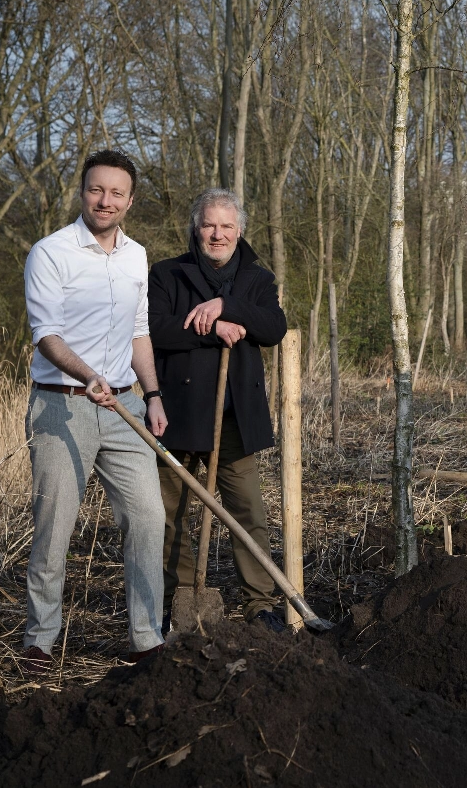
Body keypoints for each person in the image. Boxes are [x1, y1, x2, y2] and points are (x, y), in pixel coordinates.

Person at [22, 149, 166, 671]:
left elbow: (138, 332)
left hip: (125, 405)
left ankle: (147, 639)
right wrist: (89, 377)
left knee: (148, 517)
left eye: (116, 193)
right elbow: (46, 336)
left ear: (130, 201)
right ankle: (40, 638)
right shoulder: (51, 252)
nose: (105, 201)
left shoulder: (136, 256)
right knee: (55, 522)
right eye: (96, 190)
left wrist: (151, 395)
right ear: (83, 191)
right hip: (64, 406)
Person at [149, 188, 288, 634]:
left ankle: (260, 604)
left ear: (239, 231)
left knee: (248, 514)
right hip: (178, 416)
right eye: (209, 224)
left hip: (235, 420)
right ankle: (183, 597)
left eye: (226, 226)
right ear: (196, 227)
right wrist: (215, 329)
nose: (217, 233)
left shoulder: (257, 280)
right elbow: (156, 330)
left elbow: (273, 328)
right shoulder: (168, 274)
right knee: (170, 515)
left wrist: (227, 305)